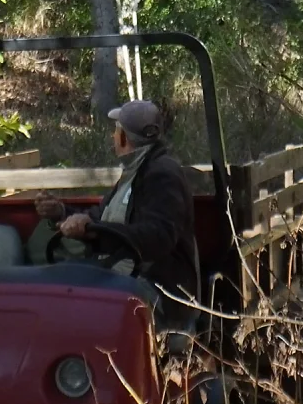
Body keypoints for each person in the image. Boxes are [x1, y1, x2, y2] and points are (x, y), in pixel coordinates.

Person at [34, 99, 199, 314]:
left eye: (116, 131)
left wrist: (93, 232)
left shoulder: (160, 173)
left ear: (122, 137)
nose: (113, 136)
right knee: (59, 278)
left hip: (155, 286)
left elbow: (159, 237)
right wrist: (62, 212)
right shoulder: (136, 171)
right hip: (121, 271)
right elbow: (101, 218)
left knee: (60, 295)